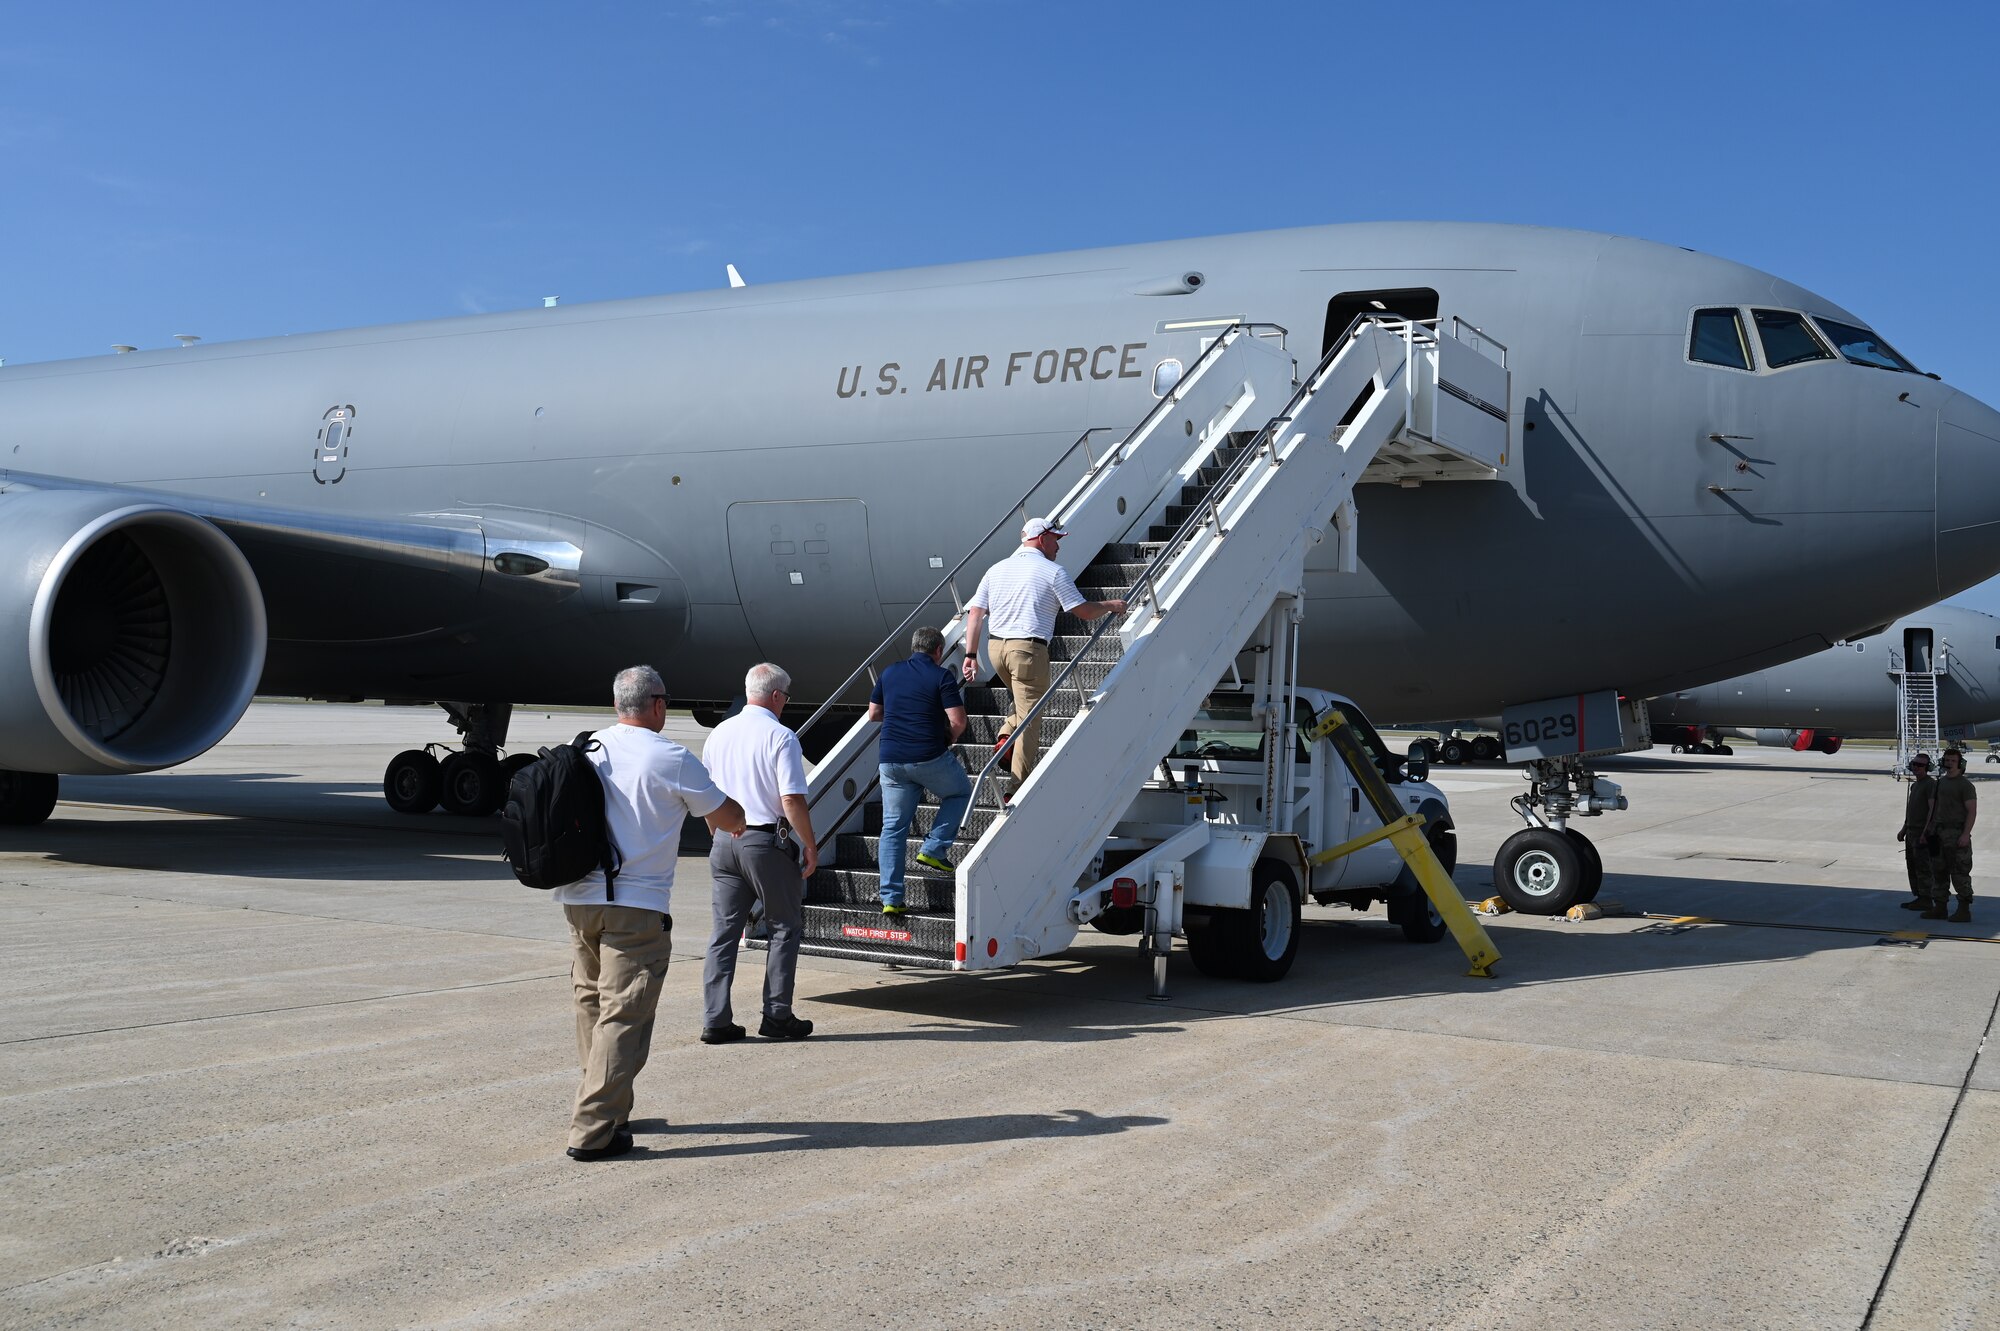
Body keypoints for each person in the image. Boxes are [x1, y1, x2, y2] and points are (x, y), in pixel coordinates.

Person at [556, 665, 745, 1162]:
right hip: (635, 908)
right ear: (657, 704)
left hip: (579, 901)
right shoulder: (671, 757)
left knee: (592, 1006)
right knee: (624, 1016)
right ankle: (592, 1129)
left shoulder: (586, 747)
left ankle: (609, 1109)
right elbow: (729, 818)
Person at [961, 517, 1127, 786]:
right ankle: (1016, 788)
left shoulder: (997, 569)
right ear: (1042, 538)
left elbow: (976, 613)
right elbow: (1083, 611)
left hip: (996, 650)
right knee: (1031, 717)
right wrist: (1110, 605)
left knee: (1024, 702)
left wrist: (970, 656)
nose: (1059, 546)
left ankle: (1005, 736)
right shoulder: (1053, 572)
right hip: (1027, 650)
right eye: (1056, 539)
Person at [701, 663, 818, 1041]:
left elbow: (707, 798)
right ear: (777, 697)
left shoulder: (719, 733)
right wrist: (810, 845)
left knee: (723, 933)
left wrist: (718, 834)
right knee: (784, 927)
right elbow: (791, 799)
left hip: (725, 841)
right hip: (765, 842)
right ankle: (777, 1016)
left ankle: (716, 1020)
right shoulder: (780, 736)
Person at [869, 625, 971, 913]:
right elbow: (958, 721)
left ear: (913, 647)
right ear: (938, 651)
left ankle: (891, 899)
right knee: (960, 792)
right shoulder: (941, 676)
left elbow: (874, 713)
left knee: (892, 828)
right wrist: (947, 737)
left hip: (890, 760)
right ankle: (933, 848)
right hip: (927, 755)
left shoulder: (889, 672)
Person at [1922, 747, 1977, 922]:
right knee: (1939, 871)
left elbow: (1972, 811)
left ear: (1960, 764)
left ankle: (1963, 910)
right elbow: (1932, 809)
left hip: (1956, 833)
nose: (1949, 763)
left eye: (1953, 761)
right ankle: (1940, 907)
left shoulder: (1965, 785)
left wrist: (1965, 834)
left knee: (1959, 872)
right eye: (1946, 760)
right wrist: (1927, 831)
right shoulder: (1939, 783)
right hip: (1938, 833)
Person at [1896, 753, 1938, 911]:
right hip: (1912, 831)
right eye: (1914, 764)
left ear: (1927, 768)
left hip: (1921, 833)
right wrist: (1904, 829)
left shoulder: (1930, 785)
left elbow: (1931, 811)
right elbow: (1911, 811)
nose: (1916, 767)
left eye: (1920, 765)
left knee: (1923, 867)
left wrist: (1925, 833)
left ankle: (1926, 898)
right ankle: (1920, 897)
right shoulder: (1915, 785)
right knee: (1912, 865)